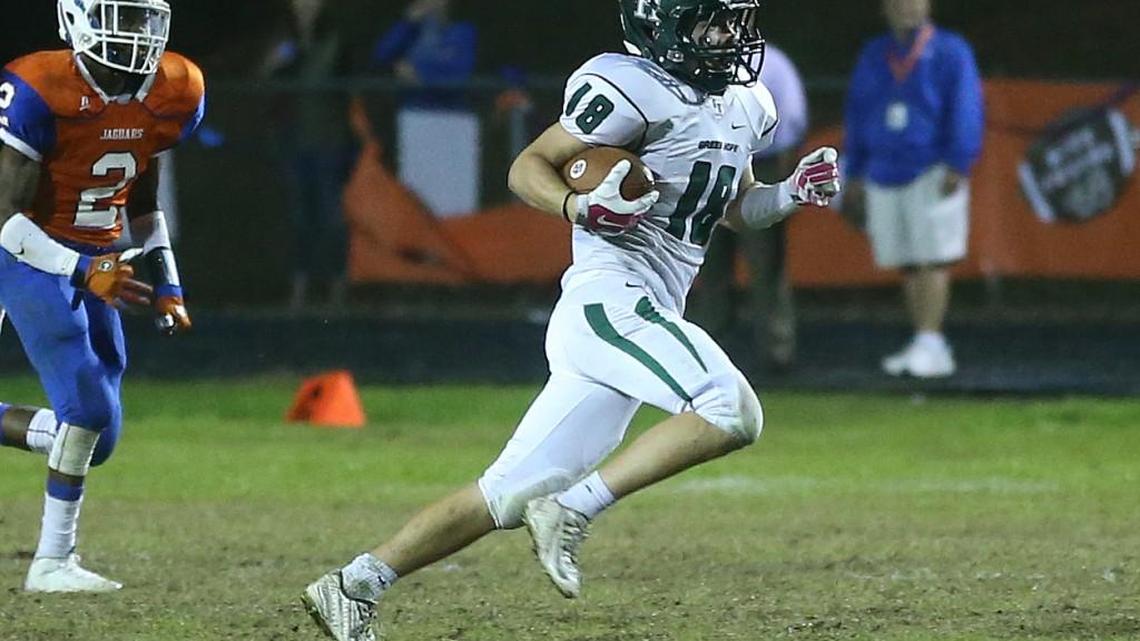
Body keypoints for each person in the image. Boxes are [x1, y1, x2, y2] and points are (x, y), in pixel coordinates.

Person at [302, 1, 840, 639]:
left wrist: (788, 195)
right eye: (710, 22)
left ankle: (354, 584)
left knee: (502, 495)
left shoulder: (746, 103)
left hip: (640, 313)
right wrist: (579, 208)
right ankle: (573, 509)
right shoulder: (630, 87)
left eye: (733, 21)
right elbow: (528, 164)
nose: (729, 36)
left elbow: (733, 208)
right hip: (611, 299)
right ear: (662, 25)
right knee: (730, 408)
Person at [0, 0, 202, 592]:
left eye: (142, 18)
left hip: (99, 254)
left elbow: (143, 203)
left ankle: (55, 537)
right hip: (25, 249)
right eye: (119, 16)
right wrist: (81, 268)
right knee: (82, 413)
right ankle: (52, 562)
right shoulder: (39, 85)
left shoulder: (176, 87)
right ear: (76, 18)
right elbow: (4, 218)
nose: (132, 33)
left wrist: (169, 282)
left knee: (98, 438)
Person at [843, 0, 984, 378]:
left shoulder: (951, 51)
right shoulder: (875, 54)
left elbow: (966, 105)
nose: (908, 9)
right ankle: (922, 340)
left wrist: (959, 160)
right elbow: (857, 111)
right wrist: (853, 168)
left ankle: (932, 339)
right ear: (884, 8)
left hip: (932, 167)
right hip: (884, 168)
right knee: (906, 260)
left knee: (933, 258)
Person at [689, 42, 808, 373]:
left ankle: (776, 350)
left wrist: (783, 175)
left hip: (762, 162)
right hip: (710, 164)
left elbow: (792, 119)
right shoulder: (695, 55)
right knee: (706, 262)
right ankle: (706, 350)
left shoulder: (773, 60)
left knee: (766, 263)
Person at [262, 0, 354, 311]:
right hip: (294, 140)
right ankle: (299, 293)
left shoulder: (334, 39)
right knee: (300, 217)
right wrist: (272, 66)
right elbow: (265, 81)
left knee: (331, 217)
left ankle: (337, 291)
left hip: (328, 140)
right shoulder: (284, 39)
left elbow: (337, 85)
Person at [371, 0, 480, 217]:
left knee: (453, 194)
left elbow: (460, 73)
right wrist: (407, 23)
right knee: (418, 190)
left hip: (453, 121)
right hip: (415, 119)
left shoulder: (462, 31)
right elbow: (381, 56)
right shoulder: (412, 31)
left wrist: (420, 77)